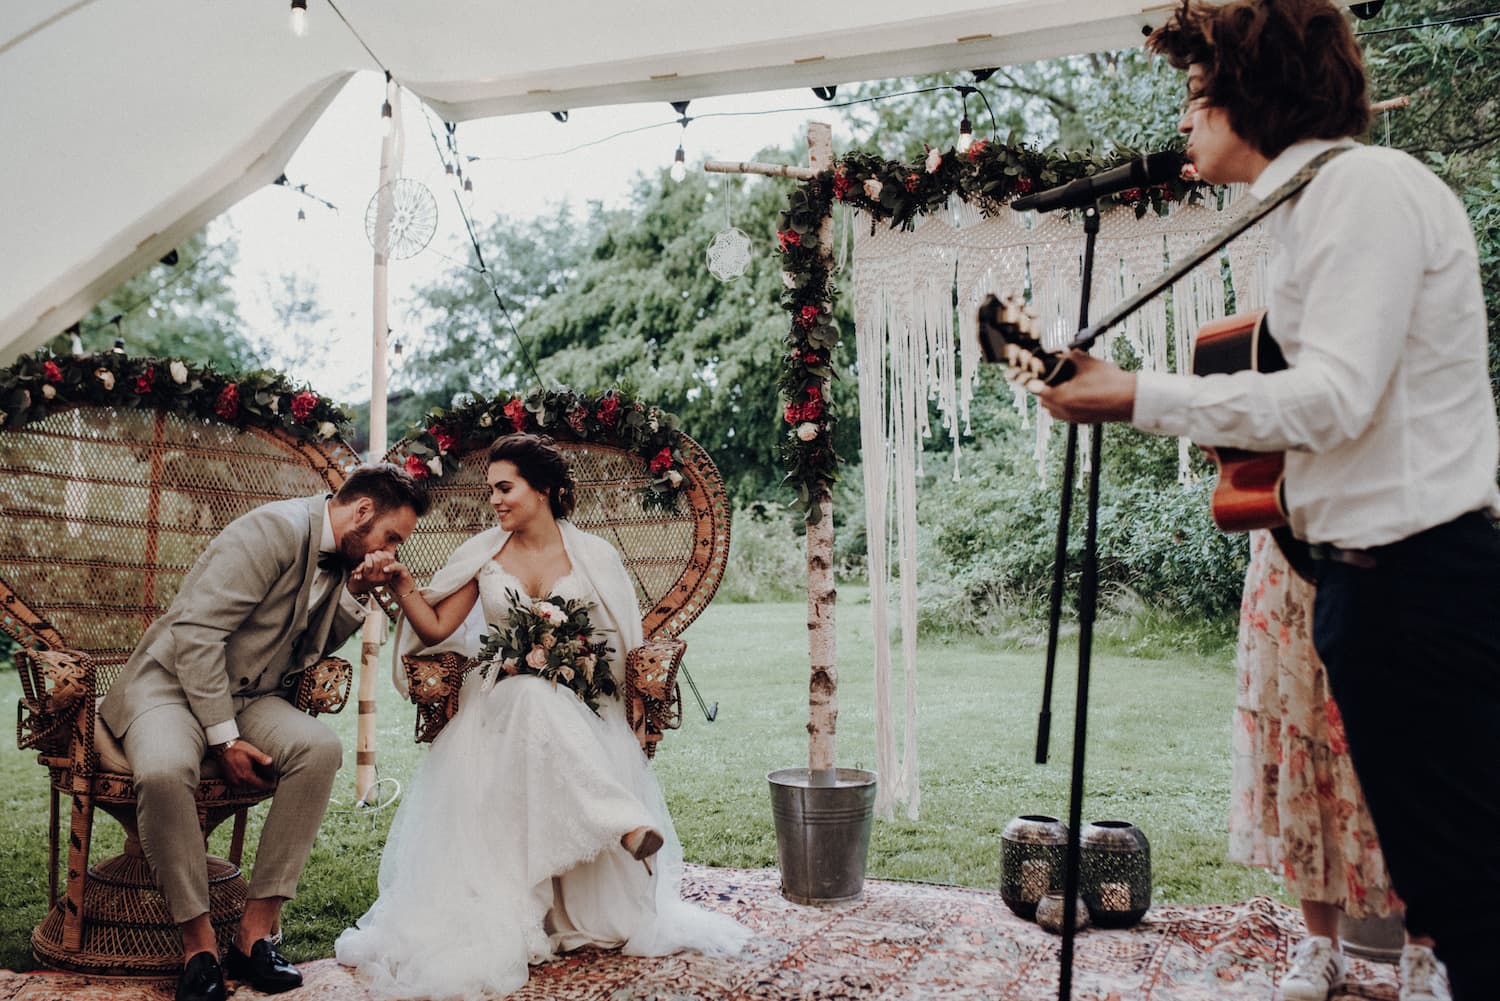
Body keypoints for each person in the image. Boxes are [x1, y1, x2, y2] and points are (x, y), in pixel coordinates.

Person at [1030, 2, 1500, 998]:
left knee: (1474, 897)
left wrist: (1136, 395)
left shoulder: (1362, 191)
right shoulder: (1304, 209)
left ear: (1251, 91)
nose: (1185, 119)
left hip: (1424, 586)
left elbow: (1335, 397)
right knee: (1449, 887)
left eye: (1197, 94)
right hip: (1362, 585)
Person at [335, 433, 750, 1000]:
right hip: (496, 702)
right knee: (528, 695)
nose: (495, 500)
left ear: (545, 490)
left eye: (505, 488)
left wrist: (593, 680)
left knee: (542, 700)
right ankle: (621, 821)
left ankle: (609, 834)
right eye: (491, 490)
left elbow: (621, 641)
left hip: (579, 703)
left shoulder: (594, 556)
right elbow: (434, 630)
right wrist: (405, 584)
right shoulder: (484, 554)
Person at [100, 463, 430, 1001]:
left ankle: (254, 936)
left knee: (319, 749)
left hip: (250, 694)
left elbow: (307, 648)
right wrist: (225, 740)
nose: (392, 551)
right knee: (163, 770)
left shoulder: (341, 553)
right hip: (170, 685)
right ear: (363, 511)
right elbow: (198, 635)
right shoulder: (271, 530)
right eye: (392, 537)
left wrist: (353, 591)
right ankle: (199, 947)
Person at [1233, 534, 1447, 1001]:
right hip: (1290, 567)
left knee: (1415, 744)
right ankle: (1321, 944)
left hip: (1396, 548)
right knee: (1301, 731)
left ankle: (1423, 952)